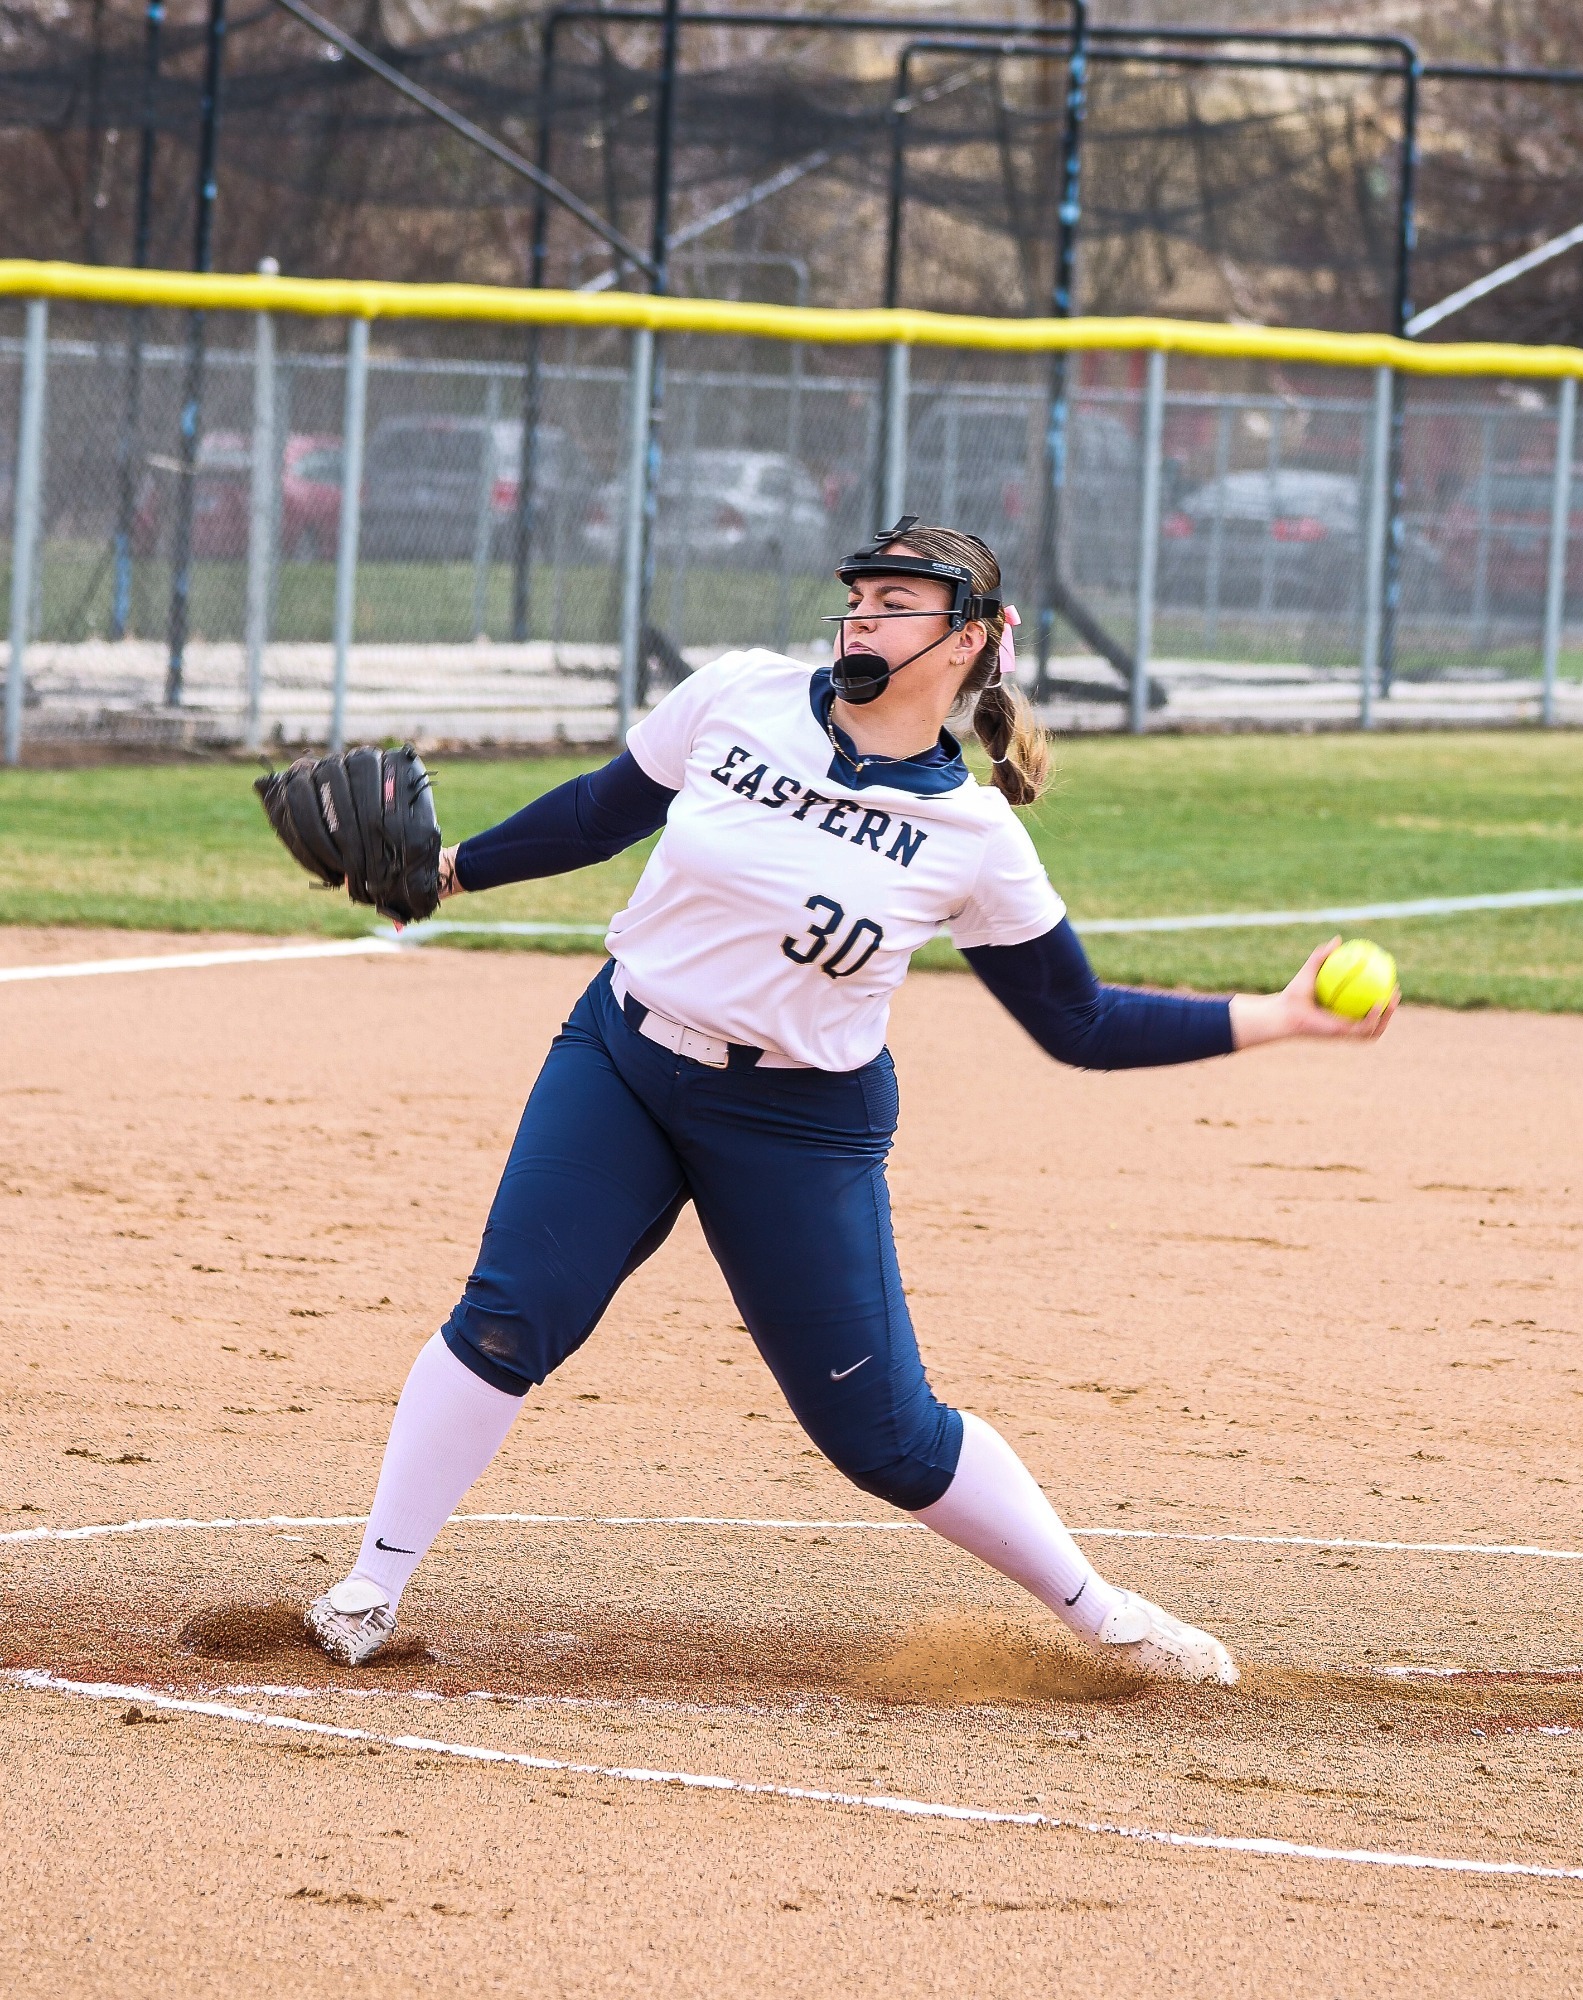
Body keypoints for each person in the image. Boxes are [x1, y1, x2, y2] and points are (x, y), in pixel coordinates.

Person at [306, 516, 1395, 1681]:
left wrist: (1275, 1018)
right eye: (861, 595)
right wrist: (448, 870)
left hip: (796, 1123)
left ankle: (1103, 1612)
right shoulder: (740, 695)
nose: (864, 615)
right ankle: (372, 1584)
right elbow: (600, 808)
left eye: (897, 600)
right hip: (620, 1057)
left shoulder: (971, 837)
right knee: (509, 1311)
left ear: (969, 639)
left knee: (882, 1434)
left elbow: (1075, 1021)